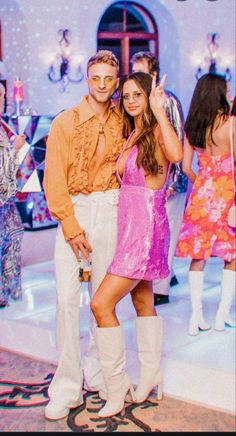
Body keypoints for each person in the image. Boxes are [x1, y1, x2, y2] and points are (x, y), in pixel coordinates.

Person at [90, 71, 183, 418]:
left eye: (136, 95)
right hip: (130, 226)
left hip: (145, 228)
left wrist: (159, 110)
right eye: (125, 95)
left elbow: (174, 154)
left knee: (101, 304)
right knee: (142, 300)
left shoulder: (157, 129)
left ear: (148, 97)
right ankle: (151, 377)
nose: (130, 100)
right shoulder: (135, 133)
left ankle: (116, 389)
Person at [43, 50, 125, 421]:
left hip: (109, 208)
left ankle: (98, 373)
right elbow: (54, 181)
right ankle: (66, 386)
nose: (103, 85)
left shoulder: (124, 121)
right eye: (96, 78)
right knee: (66, 300)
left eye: (109, 79)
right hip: (74, 209)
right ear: (86, 79)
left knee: (101, 300)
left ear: (117, 81)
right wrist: (71, 227)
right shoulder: (65, 122)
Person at [175, 73, 236, 335]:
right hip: (227, 195)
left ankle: (196, 317)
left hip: (201, 196)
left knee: (198, 257)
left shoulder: (192, 126)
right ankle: (222, 315)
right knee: (231, 256)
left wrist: (203, 182)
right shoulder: (231, 124)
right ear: (219, 93)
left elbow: (186, 167)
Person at [130, 51, 187, 305]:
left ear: (154, 74)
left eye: (142, 72)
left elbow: (176, 141)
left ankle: (161, 289)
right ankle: (165, 275)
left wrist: (172, 183)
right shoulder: (138, 104)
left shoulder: (169, 101)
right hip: (149, 183)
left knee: (168, 233)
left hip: (170, 184)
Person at [0, 82, 25, 307]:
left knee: (11, 239)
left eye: (3, 96)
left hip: (6, 202)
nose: (2, 100)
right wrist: (14, 149)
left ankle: (6, 292)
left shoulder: (2, 125)